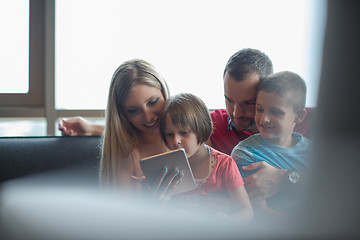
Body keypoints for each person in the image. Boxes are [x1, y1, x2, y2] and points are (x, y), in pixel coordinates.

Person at [58, 48, 315, 207]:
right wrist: (92, 128)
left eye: (250, 104)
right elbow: (151, 130)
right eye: (229, 100)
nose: (237, 113)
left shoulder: (307, 122)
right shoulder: (209, 124)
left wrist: (288, 178)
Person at [159, 93, 253, 221]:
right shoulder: (168, 166)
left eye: (184, 132)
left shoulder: (224, 164)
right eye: (169, 134)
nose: (175, 140)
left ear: (201, 128)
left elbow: (246, 211)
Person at [231, 71, 311, 219]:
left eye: (275, 112)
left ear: (299, 116)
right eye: (260, 109)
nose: (264, 118)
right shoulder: (245, 153)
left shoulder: (314, 152)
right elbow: (259, 213)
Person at [98, 58, 182, 199]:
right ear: (122, 114)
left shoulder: (192, 132)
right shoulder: (126, 157)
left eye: (153, 102)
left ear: (164, 92)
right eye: (133, 110)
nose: (148, 117)